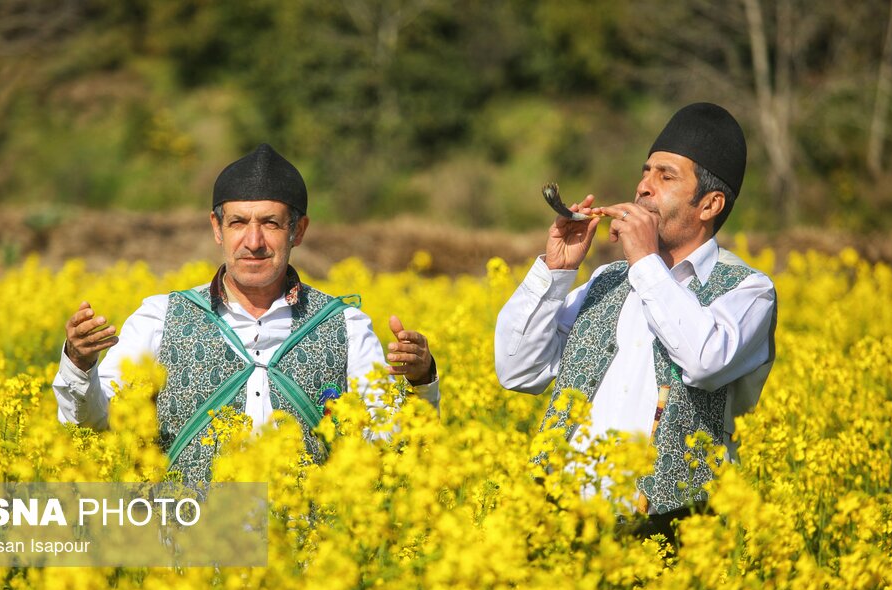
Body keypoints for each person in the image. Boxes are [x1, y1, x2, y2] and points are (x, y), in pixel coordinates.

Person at [54, 144, 439, 488]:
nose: (253, 242)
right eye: (238, 222)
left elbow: (389, 446)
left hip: (306, 557)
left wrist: (421, 381)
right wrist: (79, 362)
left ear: (298, 231)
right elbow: (95, 425)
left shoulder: (346, 326)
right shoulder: (159, 318)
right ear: (217, 229)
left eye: (270, 224)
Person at [495, 102, 776, 543]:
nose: (643, 187)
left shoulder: (748, 292)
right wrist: (555, 272)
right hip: (558, 527)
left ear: (709, 205)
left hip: (670, 540)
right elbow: (518, 370)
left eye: (666, 176)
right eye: (645, 172)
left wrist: (645, 262)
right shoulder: (609, 281)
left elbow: (704, 361)